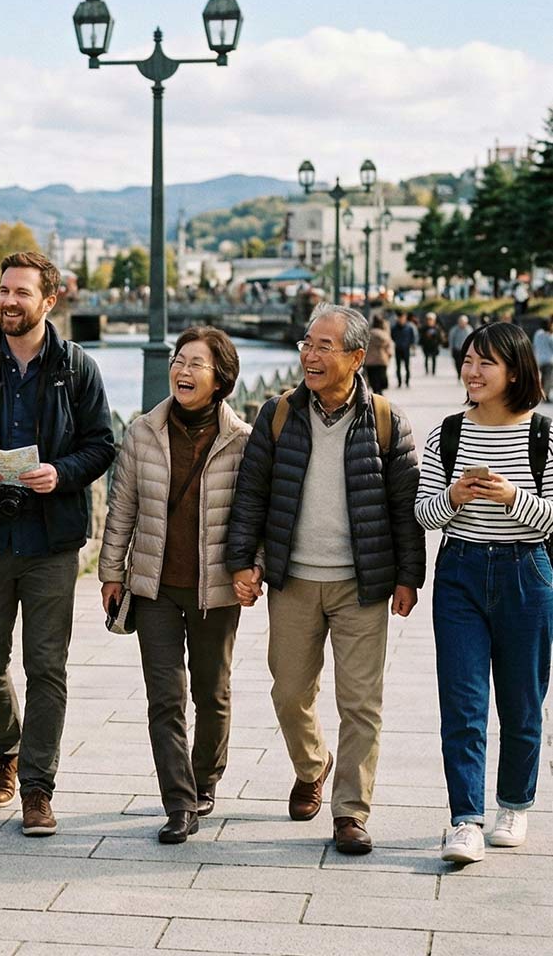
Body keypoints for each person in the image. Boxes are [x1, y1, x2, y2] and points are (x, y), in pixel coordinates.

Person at [0, 251, 116, 837]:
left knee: (47, 666)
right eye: (3, 290)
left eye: (21, 293)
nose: (8, 301)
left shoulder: (78, 368)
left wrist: (61, 473)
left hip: (51, 540)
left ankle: (37, 787)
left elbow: (103, 444)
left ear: (48, 301)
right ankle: (6, 748)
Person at [226, 304, 425, 856]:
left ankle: (350, 811)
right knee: (290, 692)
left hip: (362, 585)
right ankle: (312, 765)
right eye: (306, 344)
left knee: (361, 702)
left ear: (357, 357)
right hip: (293, 580)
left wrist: (409, 577)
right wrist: (244, 561)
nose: (310, 356)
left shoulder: (387, 420)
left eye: (324, 346)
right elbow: (252, 496)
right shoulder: (278, 415)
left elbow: (404, 506)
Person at [99, 327, 251, 844]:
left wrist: (254, 568)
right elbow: (122, 507)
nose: (182, 371)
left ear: (220, 378)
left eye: (196, 364)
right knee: (165, 697)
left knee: (212, 693)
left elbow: (254, 516)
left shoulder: (243, 440)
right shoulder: (143, 431)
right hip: (155, 586)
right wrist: (111, 572)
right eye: (177, 360)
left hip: (215, 589)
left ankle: (205, 778)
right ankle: (179, 802)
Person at [415, 322, 553, 865]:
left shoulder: (542, 436)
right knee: (463, 704)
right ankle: (464, 819)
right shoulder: (446, 434)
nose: (471, 371)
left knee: (522, 704)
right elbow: (424, 515)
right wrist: (453, 494)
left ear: (515, 371)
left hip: (528, 574)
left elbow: (550, 520)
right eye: (468, 360)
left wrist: (512, 495)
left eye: (485, 363)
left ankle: (515, 804)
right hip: (460, 575)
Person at [363, 315, 393, 396]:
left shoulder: (368, 334)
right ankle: (380, 390)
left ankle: (376, 391)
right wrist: (389, 356)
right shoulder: (385, 335)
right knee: (381, 376)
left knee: (373, 378)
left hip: (370, 361)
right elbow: (389, 348)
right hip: (382, 359)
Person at [391, 312, 418, 389]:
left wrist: (412, 345)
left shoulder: (409, 328)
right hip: (398, 349)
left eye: (403, 318)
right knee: (398, 367)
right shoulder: (394, 328)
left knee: (407, 367)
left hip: (406, 349)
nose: (401, 320)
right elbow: (392, 336)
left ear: (405, 318)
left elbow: (412, 337)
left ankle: (407, 382)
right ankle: (399, 382)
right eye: (400, 318)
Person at [533, 319, 553, 399]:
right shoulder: (550, 336)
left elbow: (534, 345)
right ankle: (545, 396)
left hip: (539, 359)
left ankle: (540, 395)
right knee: (548, 379)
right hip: (549, 360)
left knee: (541, 379)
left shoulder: (537, 334)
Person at [420, 312, 444, 377]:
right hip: (426, 345)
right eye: (428, 319)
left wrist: (440, 343)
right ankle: (427, 371)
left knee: (434, 359)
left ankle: (433, 371)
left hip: (434, 346)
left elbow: (440, 337)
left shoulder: (437, 328)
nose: (429, 321)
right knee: (426, 358)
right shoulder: (424, 328)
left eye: (431, 319)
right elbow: (421, 337)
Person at [450, 315, 473, 381]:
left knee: (465, 364)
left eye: (464, 322)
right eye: (461, 322)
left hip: (466, 350)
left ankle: (464, 376)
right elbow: (451, 339)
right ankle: (459, 374)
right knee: (458, 363)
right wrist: (451, 349)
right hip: (457, 350)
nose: (462, 323)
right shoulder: (454, 329)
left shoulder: (469, 329)